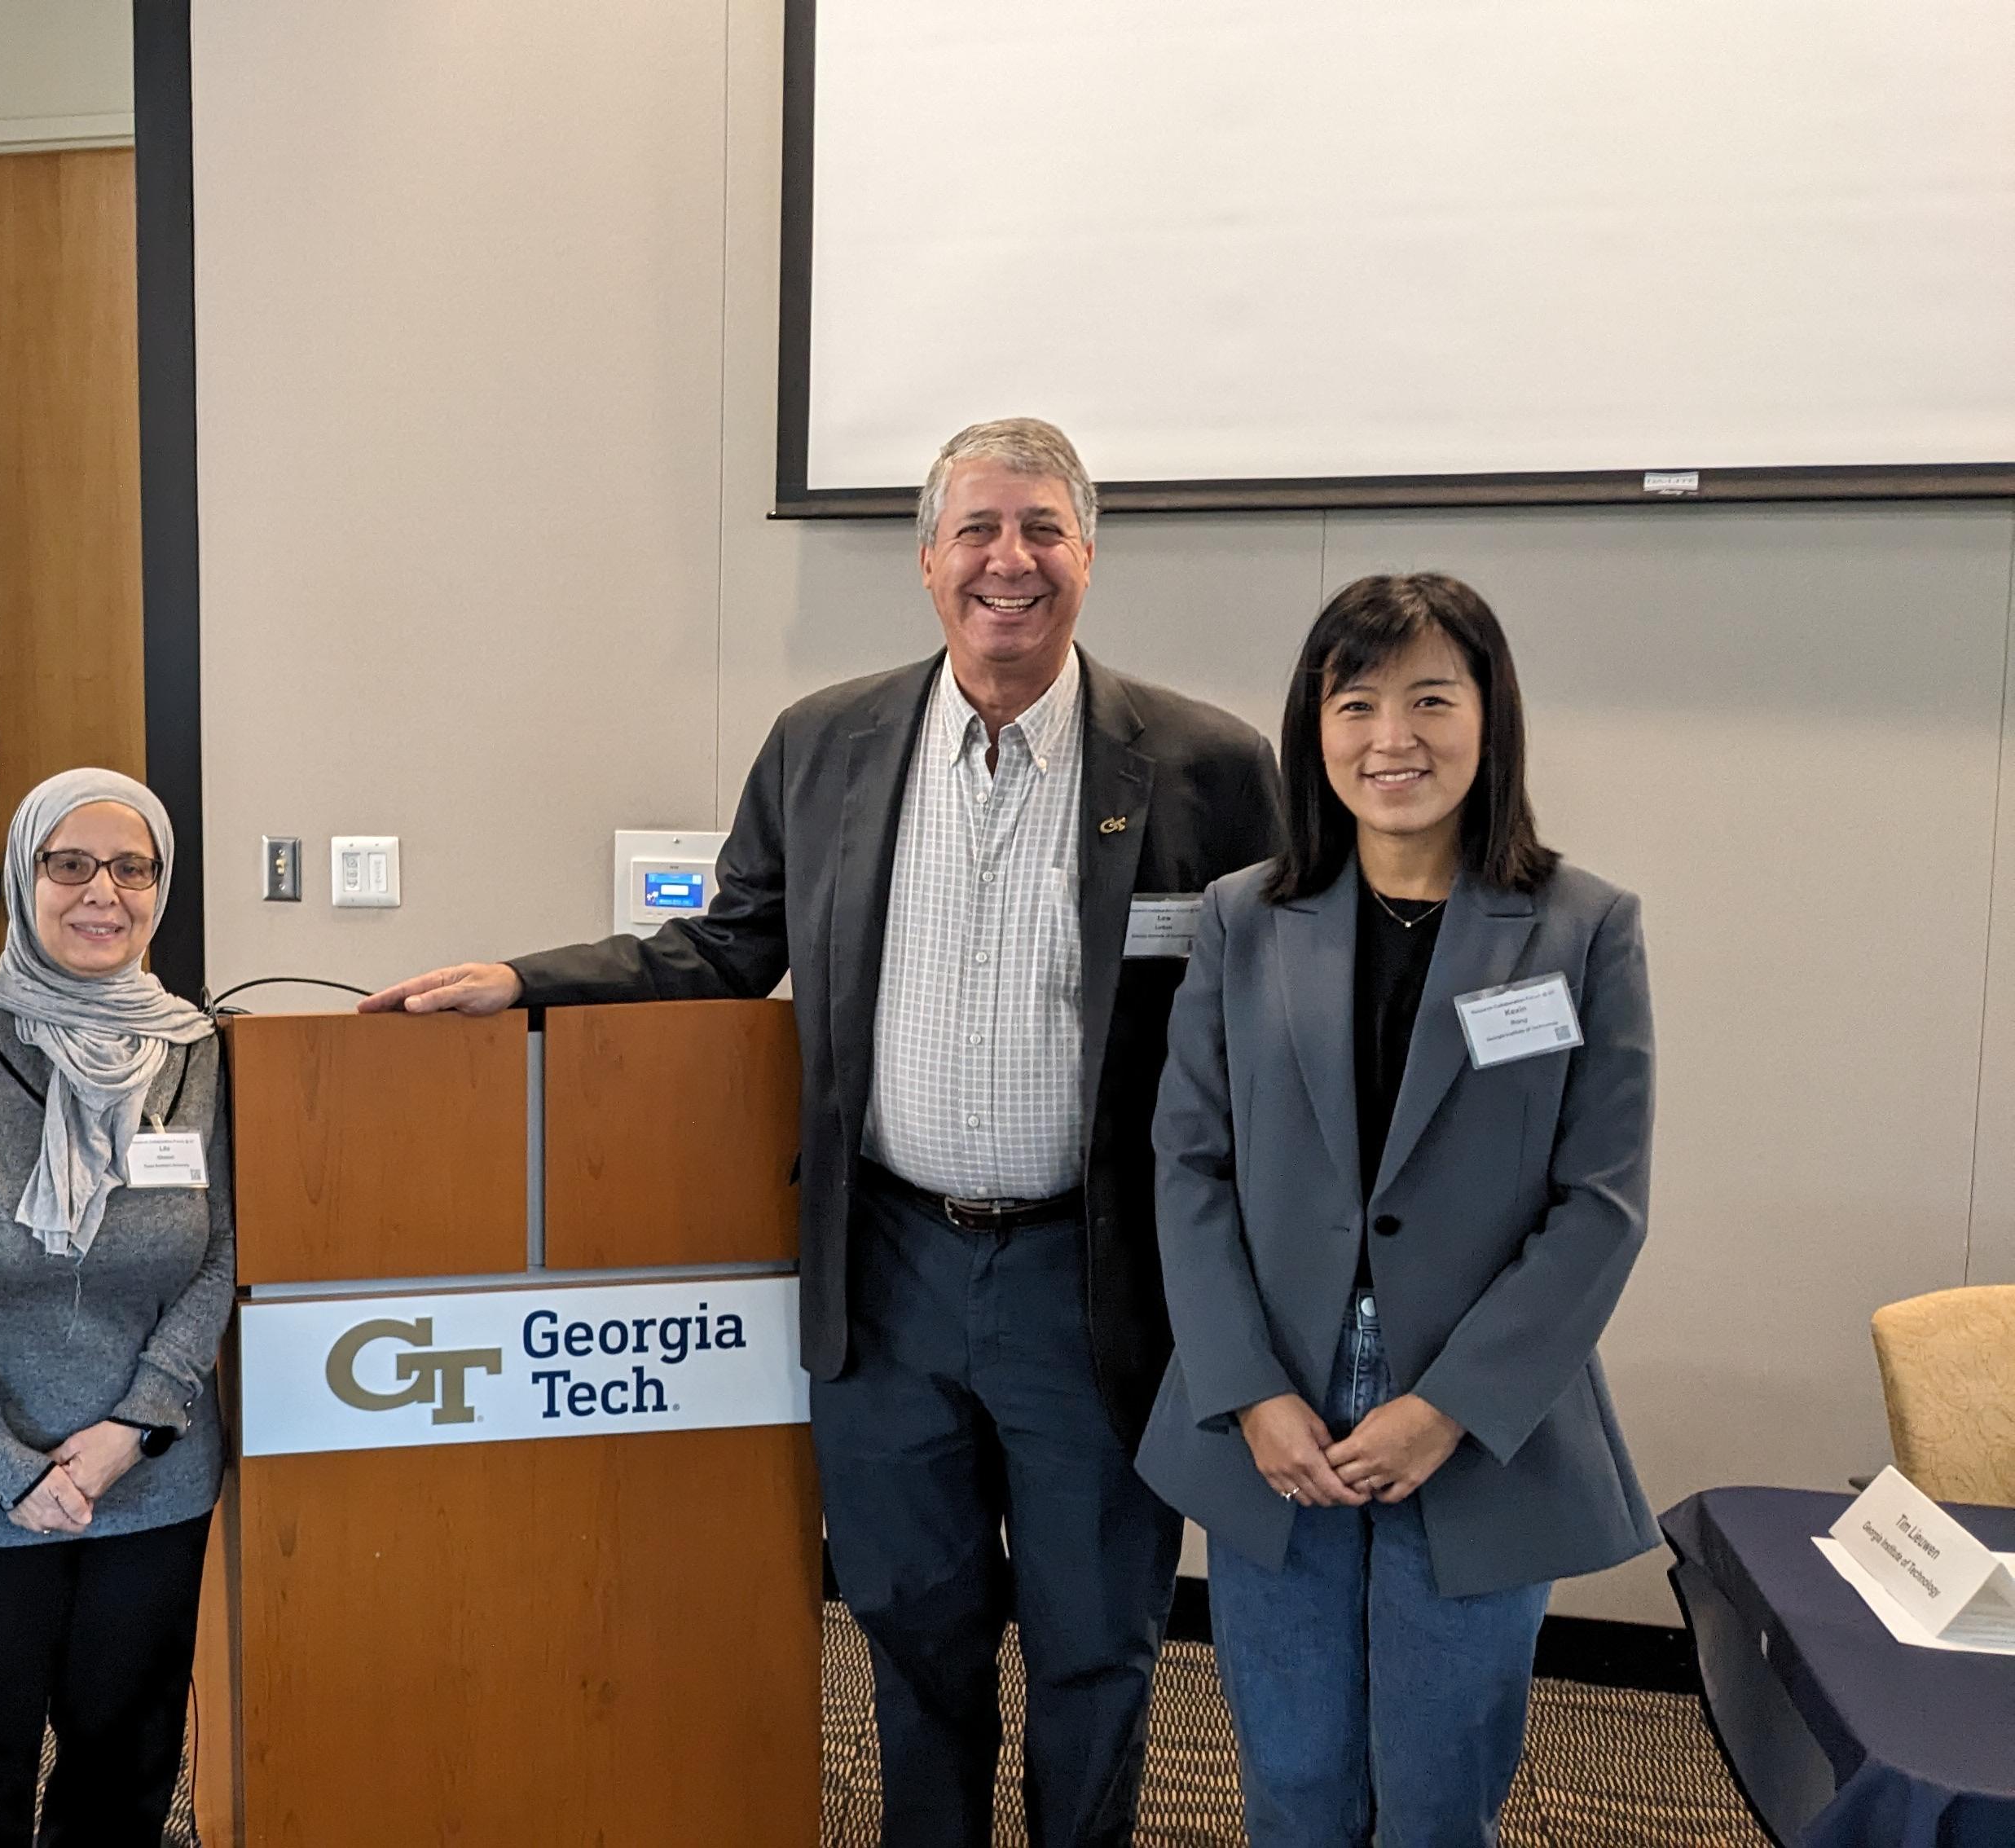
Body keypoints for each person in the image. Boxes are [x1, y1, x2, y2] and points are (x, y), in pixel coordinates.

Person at [363, 418, 1282, 1846]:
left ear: (1088, 556)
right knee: (916, 1632)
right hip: (889, 1270)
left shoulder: (1211, 771)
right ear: (927, 562)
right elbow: (723, 950)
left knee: (1098, 1639)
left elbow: (1263, 1043)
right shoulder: (826, 746)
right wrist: (526, 984)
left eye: (1041, 528)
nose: (1009, 560)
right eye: (977, 529)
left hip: (1095, 1288)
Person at [1137, 574, 1655, 1845]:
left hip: (1476, 1417)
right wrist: (1248, 1393)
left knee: (1439, 1792)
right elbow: (1187, 1167)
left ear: (1492, 716)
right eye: (1355, 702)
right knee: (1296, 1783)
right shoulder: (1241, 921)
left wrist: (1448, 1410)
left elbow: (1601, 1205)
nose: (1392, 740)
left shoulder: (1584, 929)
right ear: (1316, 729)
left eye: (1432, 698)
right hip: (1278, 1414)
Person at [0, 768, 233, 1848]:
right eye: (67, 864)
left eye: (131, 868)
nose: (102, 894)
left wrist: (132, 1431)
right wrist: (12, 1464)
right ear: (20, 883)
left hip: (154, 1475)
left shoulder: (202, 1050)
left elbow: (220, 1256)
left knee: (127, 1760)